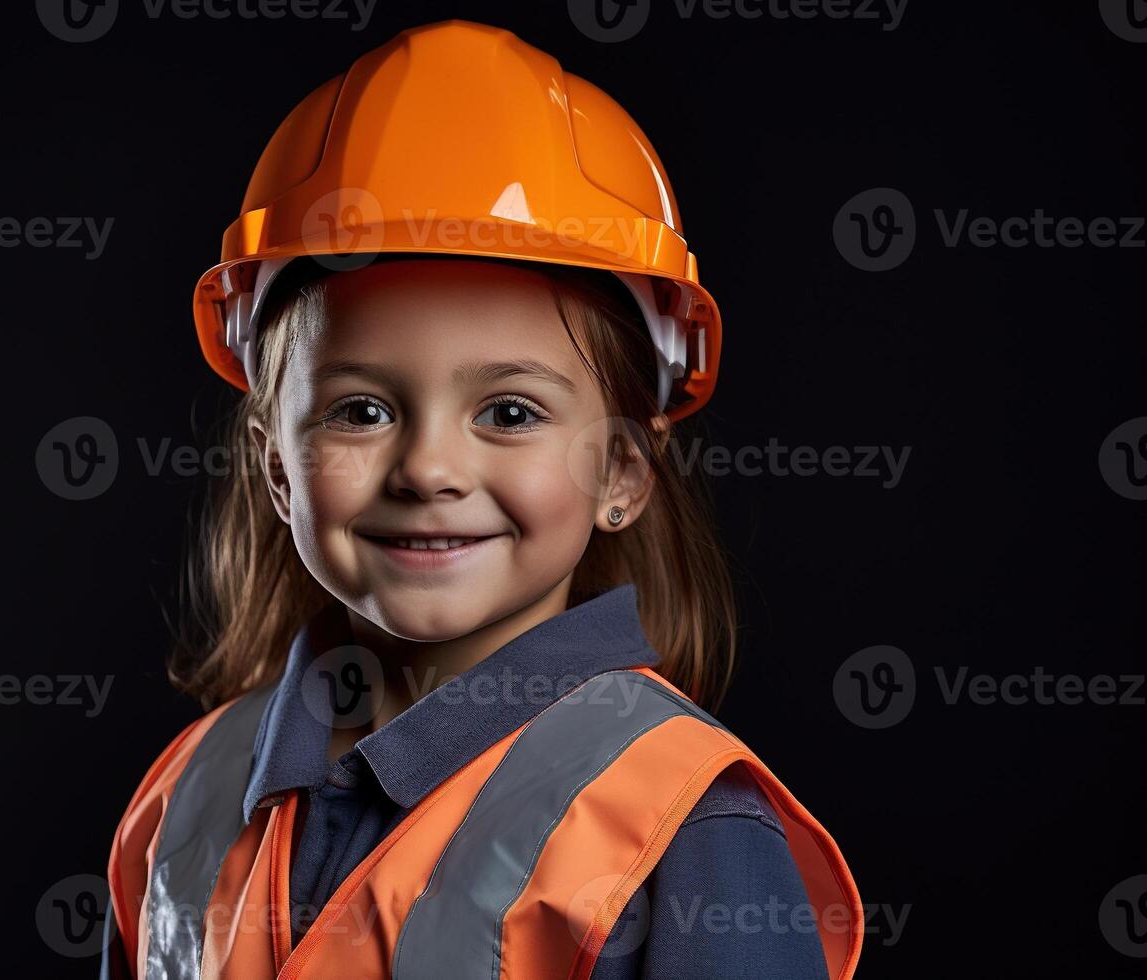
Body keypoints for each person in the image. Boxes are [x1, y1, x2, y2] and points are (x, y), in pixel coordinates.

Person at [103, 19, 862, 980]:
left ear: (622, 473)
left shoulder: (682, 829)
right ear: (275, 464)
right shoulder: (185, 798)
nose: (428, 468)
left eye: (508, 411)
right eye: (361, 409)